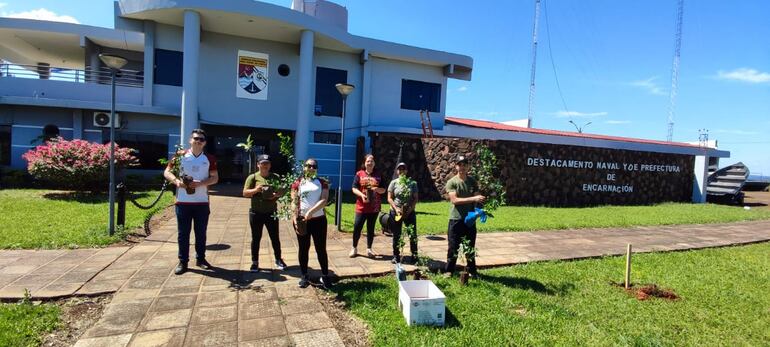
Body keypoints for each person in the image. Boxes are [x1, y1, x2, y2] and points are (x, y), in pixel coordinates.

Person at [164, 129, 219, 275]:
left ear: (205, 143)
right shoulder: (180, 155)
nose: (198, 141)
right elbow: (167, 172)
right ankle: (183, 262)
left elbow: (215, 178)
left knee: (201, 233)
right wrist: (176, 181)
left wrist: (200, 183)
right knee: (183, 234)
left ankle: (200, 259)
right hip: (183, 202)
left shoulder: (209, 158)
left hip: (201, 202)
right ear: (190, 140)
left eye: (201, 139)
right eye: (196, 138)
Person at [242, 154, 288, 273]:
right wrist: (256, 190)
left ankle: (278, 259)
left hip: (271, 213)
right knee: (256, 238)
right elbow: (245, 193)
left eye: (267, 163)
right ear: (258, 164)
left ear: (270, 165)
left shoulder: (275, 177)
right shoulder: (252, 177)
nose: (265, 165)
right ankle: (255, 262)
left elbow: (283, 190)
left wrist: (277, 194)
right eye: (262, 163)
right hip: (256, 213)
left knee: (275, 238)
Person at [291, 158, 332, 289]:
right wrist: (295, 218)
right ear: (304, 167)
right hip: (302, 221)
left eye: (313, 166)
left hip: (319, 221)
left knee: (321, 249)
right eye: (308, 166)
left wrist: (310, 212)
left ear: (316, 169)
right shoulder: (298, 183)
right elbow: (294, 201)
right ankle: (304, 276)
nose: (311, 168)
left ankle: (325, 275)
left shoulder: (322, 183)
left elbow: (324, 200)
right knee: (303, 248)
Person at [444, 155, 485, 277]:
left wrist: (480, 210)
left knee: (470, 246)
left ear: (468, 167)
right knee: (453, 246)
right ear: (456, 166)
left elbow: (478, 199)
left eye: (464, 165)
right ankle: (449, 271)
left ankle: (472, 271)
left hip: (470, 220)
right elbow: (455, 200)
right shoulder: (452, 182)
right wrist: (474, 198)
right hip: (456, 219)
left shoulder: (472, 181)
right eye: (460, 164)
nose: (462, 167)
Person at [349, 154, 386, 258]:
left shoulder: (379, 175)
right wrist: (361, 195)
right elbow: (354, 188)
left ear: (374, 163)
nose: (370, 163)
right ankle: (354, 248)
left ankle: (369, 249)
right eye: (368, 161)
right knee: (357, 227)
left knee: (371, 229)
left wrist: (376, 189)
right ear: (364, 163)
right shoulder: (359, 174)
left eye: (372, 161)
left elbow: (383, 189)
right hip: (361, 207)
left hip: (374, 207)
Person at [387, 162, 419, 264]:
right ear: (397, 171)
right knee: (396, 234)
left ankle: (414, 256)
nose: (402, 171)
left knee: (412, 234)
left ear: (406, 171)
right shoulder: (394, 183)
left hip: (409, 212)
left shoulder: (412, 183)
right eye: (399, 169)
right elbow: (389, 198)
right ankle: (396, 256)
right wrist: (396, 209)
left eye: (403, 169)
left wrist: (410, 210)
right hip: (396, 212)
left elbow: (415, 198)